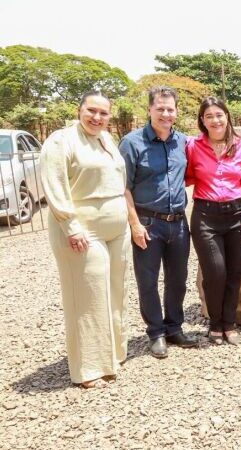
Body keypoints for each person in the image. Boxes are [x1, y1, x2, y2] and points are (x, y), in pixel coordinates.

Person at [41, 91, 129, 388]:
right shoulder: (60, 140)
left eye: (103, 113)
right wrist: (71, 226)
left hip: (116, 228)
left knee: (115, 292)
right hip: (83, 230)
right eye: (91, 111)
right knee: (87, 298)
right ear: (79, 110)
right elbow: (55, 186)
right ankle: (89, 368)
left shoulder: (107, 140)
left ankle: (112, 355)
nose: (97, 117)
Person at [119, 87, 198, 358]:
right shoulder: (132, 143)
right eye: (160, 108)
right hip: (147, 222)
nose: (166, 113)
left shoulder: (184, 142)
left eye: (170, 109)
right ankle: (155, 332)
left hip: (177, 223)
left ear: (176, 112)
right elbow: (124, 187)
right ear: (150, 110)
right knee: (148, 280)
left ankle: (174, 327)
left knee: (178, 279)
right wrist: (134, 224)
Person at [186, 97, 241, 345]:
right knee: (215, 272)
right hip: (205, 217)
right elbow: (183, 176)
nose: (215, 120)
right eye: (209, 116)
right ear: (202, 121)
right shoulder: (193, 146)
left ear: (227, 116)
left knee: (234, 272)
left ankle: (229, 323)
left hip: (236, 216)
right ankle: (215, 323)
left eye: (219, 114)